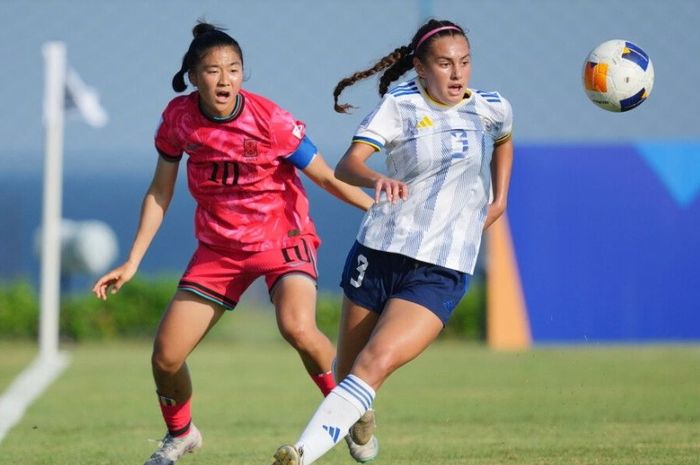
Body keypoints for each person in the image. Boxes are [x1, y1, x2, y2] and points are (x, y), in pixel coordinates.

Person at [91, 22, 378, 465]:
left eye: (234, 69)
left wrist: (375, 209)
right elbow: (159, 192)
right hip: (219, 249)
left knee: (297, 327)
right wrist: (132, 261)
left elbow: (323, 176)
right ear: (193, 76)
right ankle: (181, 434)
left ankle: (352, 408)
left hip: (283, 237)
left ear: (244, 74)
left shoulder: (272, 121)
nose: (224, 79)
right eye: (212, 70)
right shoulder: (179, 119)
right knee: (166, 356)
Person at [271, 18, 513, 465]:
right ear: (420, 69)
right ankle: (359, 420)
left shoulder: (491, 107)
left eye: (464, 62)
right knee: (348, 373)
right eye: (445, 64)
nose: (457, 74)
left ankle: (300, 454)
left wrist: (500, 197)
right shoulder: (398, 105)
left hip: (441, 267)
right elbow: (347, 166)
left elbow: (503, 138)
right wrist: (377, 177)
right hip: (379, 251)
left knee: (375, 362)